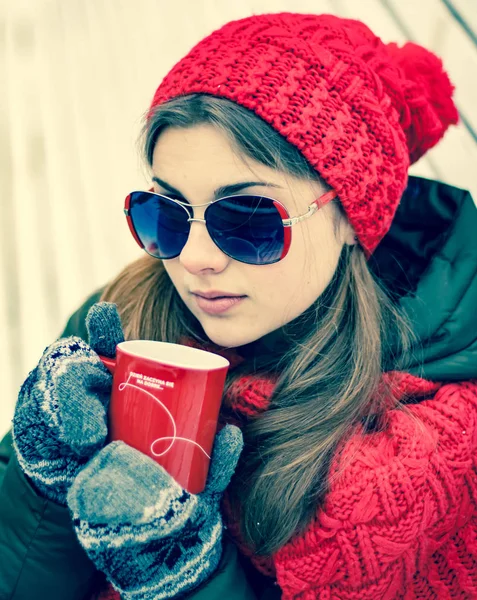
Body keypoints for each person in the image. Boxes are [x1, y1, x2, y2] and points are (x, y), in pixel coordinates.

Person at [1, 10, 477, 600]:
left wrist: (180, 574)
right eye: (166, 213)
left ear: (353, 219)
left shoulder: (428, 453)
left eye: (247, 218)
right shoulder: (124, 320)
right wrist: (44, 480)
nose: (195, 258)